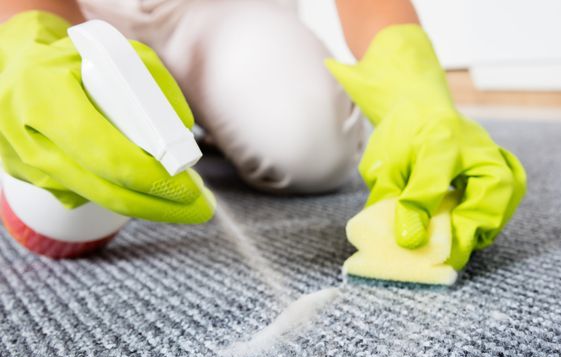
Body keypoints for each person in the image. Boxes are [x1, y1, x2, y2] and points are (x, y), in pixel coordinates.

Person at [0, 0, 526, 270]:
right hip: (78, 10)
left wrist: (415, 88)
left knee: (311, 147)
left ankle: (206, 117)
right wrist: (33, 39)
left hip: (226, 9)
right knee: (64, 218)